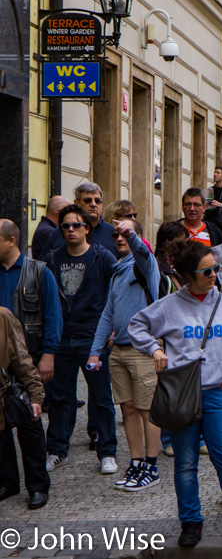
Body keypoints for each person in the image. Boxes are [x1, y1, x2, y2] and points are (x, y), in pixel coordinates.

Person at [129, 240, 222, 547]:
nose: (214, 275)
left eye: (216, 268)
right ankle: (191, 522)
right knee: (185, 463)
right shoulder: (169, 306)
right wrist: (154, 349)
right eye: (206, 271)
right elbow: (136, 326)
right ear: (187, 275)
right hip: (182, 394)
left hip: (218, 394)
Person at [87, 218, 162, 492]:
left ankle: (151, 466)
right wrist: (95, 352)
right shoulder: (118, 271)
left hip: (143, 350)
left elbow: (141, 251)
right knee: (128, 408)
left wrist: (131, 234)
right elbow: (108, 313)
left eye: (125, 235)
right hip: (118, 351)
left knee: (147, 410)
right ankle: (136, 462)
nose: (119, 238)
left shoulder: (145, 264)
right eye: (117, 235)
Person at [42, 204, 118, 475]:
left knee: (101, 397)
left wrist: (112, 328)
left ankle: (107, 451)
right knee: (60, 397)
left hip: (92, 338)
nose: (71, 230)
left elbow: (117, 292)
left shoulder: (103, 257)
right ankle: (56, 449)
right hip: (61, 338)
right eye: (66, 225)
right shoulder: (51, 259)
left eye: (76, 225)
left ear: (87, 228)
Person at [0, 307, 48, 510]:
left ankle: (38, 486)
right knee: (1, 438)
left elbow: (22, 360)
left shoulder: (3, 317)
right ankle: (7, 482)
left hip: (12, 387)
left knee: (30, 423)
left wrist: (36, 396)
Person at [0, 219, 61, 380]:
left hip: (30, 356)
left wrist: (48, 355)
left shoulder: (40, 272)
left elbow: (53, 316)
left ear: (11, 241)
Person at [40, 182, 119, 258]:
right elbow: (43, 266)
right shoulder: (60, 232)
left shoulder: (114, 234)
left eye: (98, 201)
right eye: (88, 200)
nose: (93, 204)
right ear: (76, 203)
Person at [204, 166, 222, 231]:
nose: (215, 174)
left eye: (218, 173)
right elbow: (204, 209)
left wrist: (220, 205)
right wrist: (206, 204)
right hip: (210, 222)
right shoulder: (210, 190)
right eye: (214, 172)